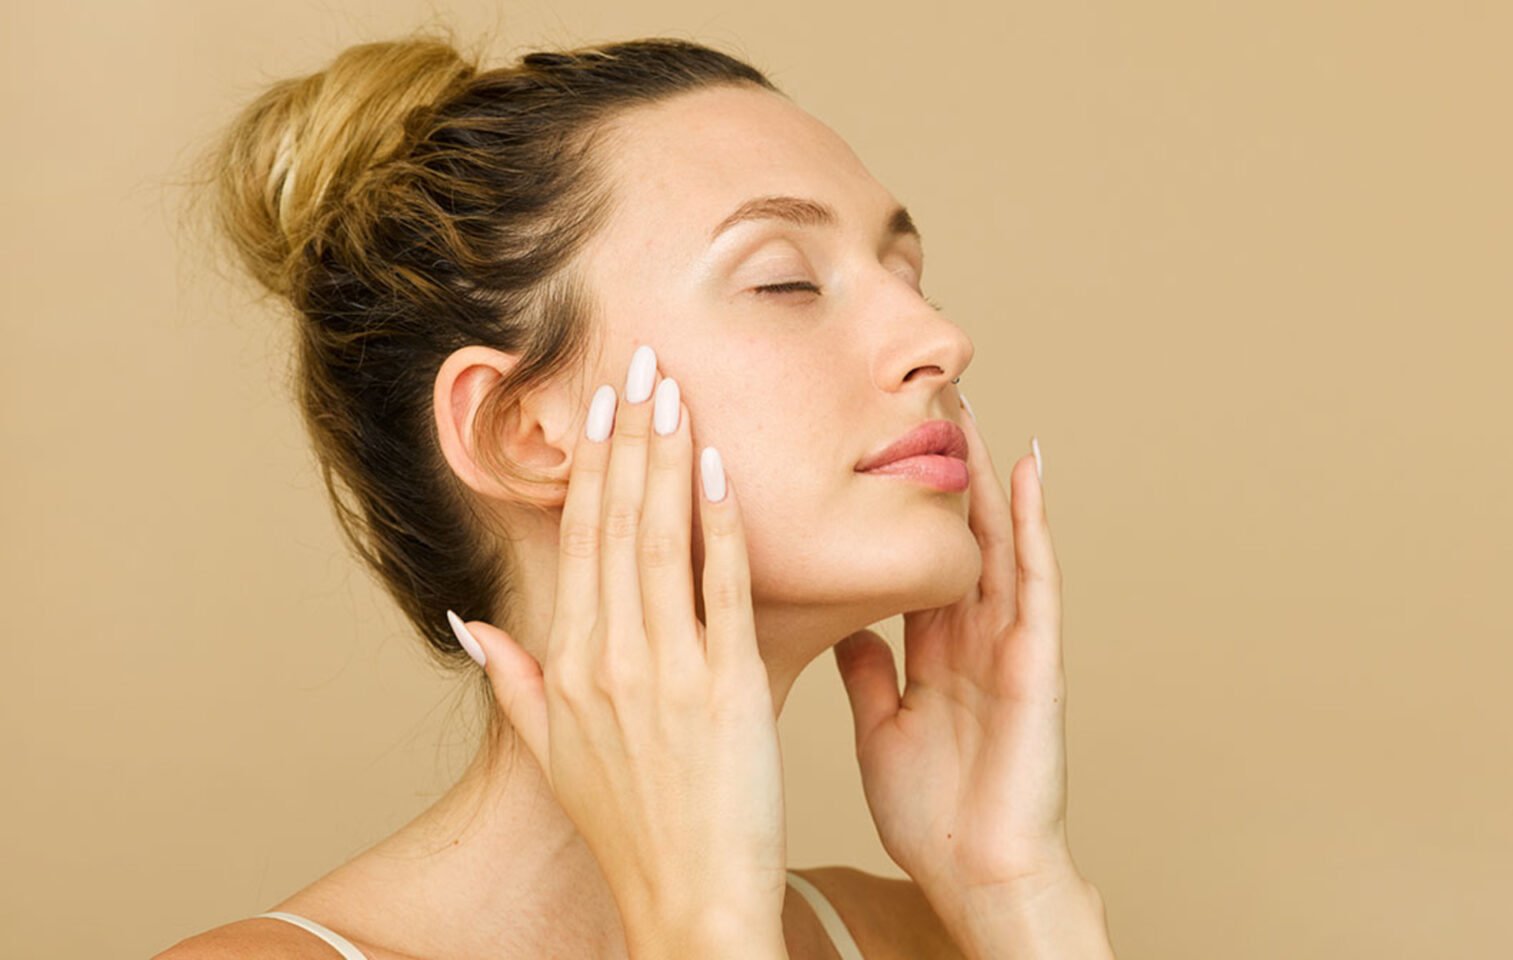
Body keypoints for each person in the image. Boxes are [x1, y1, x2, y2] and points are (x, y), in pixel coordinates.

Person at [160, 28, 1115, 960]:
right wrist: (702, 932)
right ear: (522, 432)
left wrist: (1015, 893)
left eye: (910, 277)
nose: (940, 341)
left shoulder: (931, 937)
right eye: (785, 282)